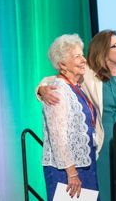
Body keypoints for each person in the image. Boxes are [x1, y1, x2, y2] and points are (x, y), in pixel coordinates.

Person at [37, 30, 116, 201]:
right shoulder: (89, 75)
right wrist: (41, 89)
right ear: (103, 51)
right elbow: (53, 80)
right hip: (102, 147)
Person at [41, 34, 99, 201]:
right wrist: (72, 173)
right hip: (67, 171)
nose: (83, 60)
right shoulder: (57, 91)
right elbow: (58, 136)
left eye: (82, 55)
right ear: (62, 64)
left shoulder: (77, 87)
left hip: (86, 166)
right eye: (77, 56)